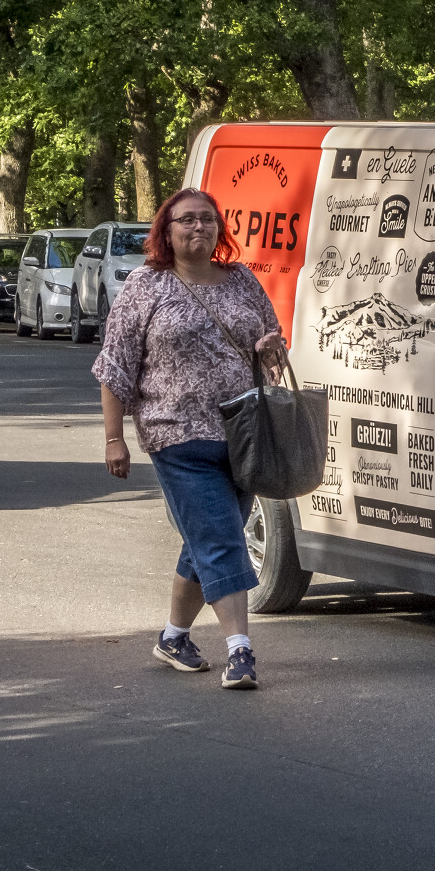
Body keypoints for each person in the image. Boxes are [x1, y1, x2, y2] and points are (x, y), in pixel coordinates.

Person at [95, 189, 286, 691]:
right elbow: (114, 367)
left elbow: (270, 343)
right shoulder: (146, 285)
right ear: (167, 230)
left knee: (205, 539)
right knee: (222, 539)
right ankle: (240, 651)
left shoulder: (241, 280)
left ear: (219, 228)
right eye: (186, 220)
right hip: (176, 435)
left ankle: (174, 637)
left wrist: (270, 348)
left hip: (244, 433)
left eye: (207, 219)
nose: (198, 227)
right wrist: (114, 438)